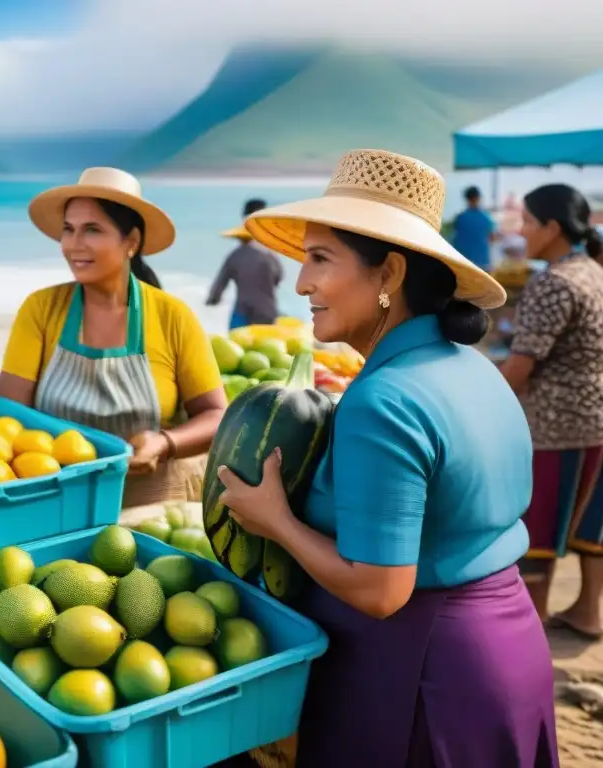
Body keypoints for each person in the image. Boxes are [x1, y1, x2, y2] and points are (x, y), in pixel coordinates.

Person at [223, 149, 557, 767]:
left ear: (390, 273)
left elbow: (381, 591)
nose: (300, 283)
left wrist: (275, 520)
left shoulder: (382, 400)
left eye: (320, 260)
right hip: (505, 652)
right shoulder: (472, 369)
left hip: (420, 673)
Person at [0, 168, 226, 508]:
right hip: (57, 501)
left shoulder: (172, 316)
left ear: (130, 241)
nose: (74, 245)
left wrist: (164, 443)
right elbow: (9, 414)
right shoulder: (41, 309)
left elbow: (216, 414)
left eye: (92, 229)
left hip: (151, 503)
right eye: (69, 230)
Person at [499, 184, 603, 639]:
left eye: (527, 221)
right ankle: (587, 610)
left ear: (552, 227)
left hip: (555, 426)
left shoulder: (553, 283)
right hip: (596, 417)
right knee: (590, 527)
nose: (521, 231)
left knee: (537, 532)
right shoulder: (594, 273)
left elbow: (521, 366)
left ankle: (531, 628)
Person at [206, 198, 283, 329]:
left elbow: (220, 282)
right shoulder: (270, 255)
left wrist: (213, 299)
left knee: (238, 341)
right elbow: (279, 276)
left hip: (242, 310)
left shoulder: (235, 256)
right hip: (267, 310)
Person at [451, 185, 497, 270]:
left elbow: (454, 238)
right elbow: (493, 238)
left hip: (463, 262)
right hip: (483, 263)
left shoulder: (460, 218)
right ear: (479, 198)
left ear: (466, 199)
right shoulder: (486, 218)